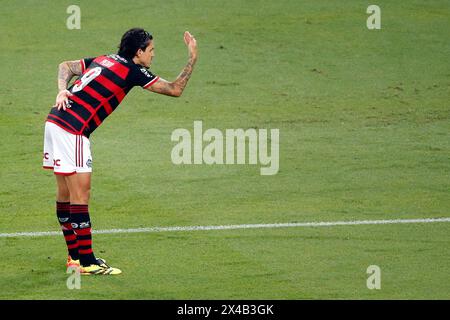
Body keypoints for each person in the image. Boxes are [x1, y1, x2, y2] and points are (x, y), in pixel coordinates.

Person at [42, 28, 198, 275]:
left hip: (54, 122)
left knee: (64, 193)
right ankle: (88, 262)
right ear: (139, 52)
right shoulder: (132, 71)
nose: (153, 55)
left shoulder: (106, 59)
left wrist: (62, 89)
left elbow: (66, 66)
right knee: (81, 196)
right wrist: (192, 58)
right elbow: (175, 89)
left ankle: (74, 257)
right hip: (73, 130)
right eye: (151, 50)